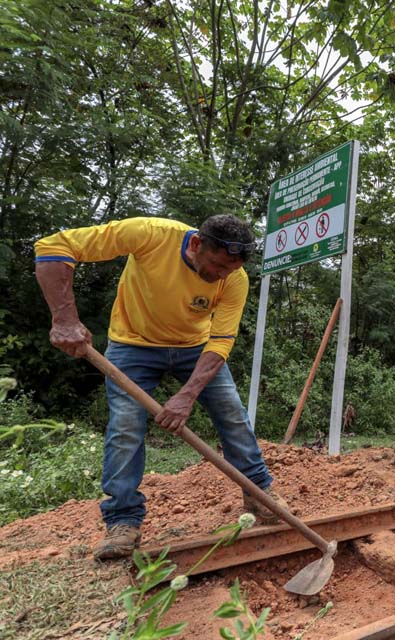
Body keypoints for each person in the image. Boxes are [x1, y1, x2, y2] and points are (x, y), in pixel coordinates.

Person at [34, 215, 288, 560]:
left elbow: (220, 342)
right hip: (132, 344)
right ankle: (123, 520)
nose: (219, 276)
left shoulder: (234, 279)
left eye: (228, 270)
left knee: (231, 412)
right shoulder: (151, 235)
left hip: (195, 348)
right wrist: (64, 318)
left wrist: (186, 396)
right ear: (196, 244)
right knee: (125, 426)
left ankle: (259, 492)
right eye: (215, 266)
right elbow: (53, 248)